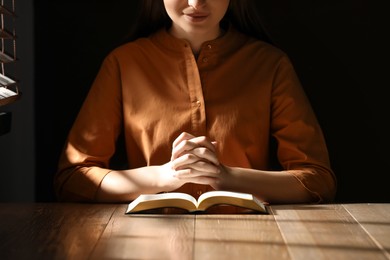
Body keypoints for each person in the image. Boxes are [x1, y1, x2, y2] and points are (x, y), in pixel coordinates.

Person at [54, 0, 337, 207]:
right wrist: (163, 177)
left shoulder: (270, 64)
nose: (195, 3)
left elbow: (317, 180)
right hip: (148, 239)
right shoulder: (123, 63)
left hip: (250, 238)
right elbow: (73, 178)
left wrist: (227, 177)